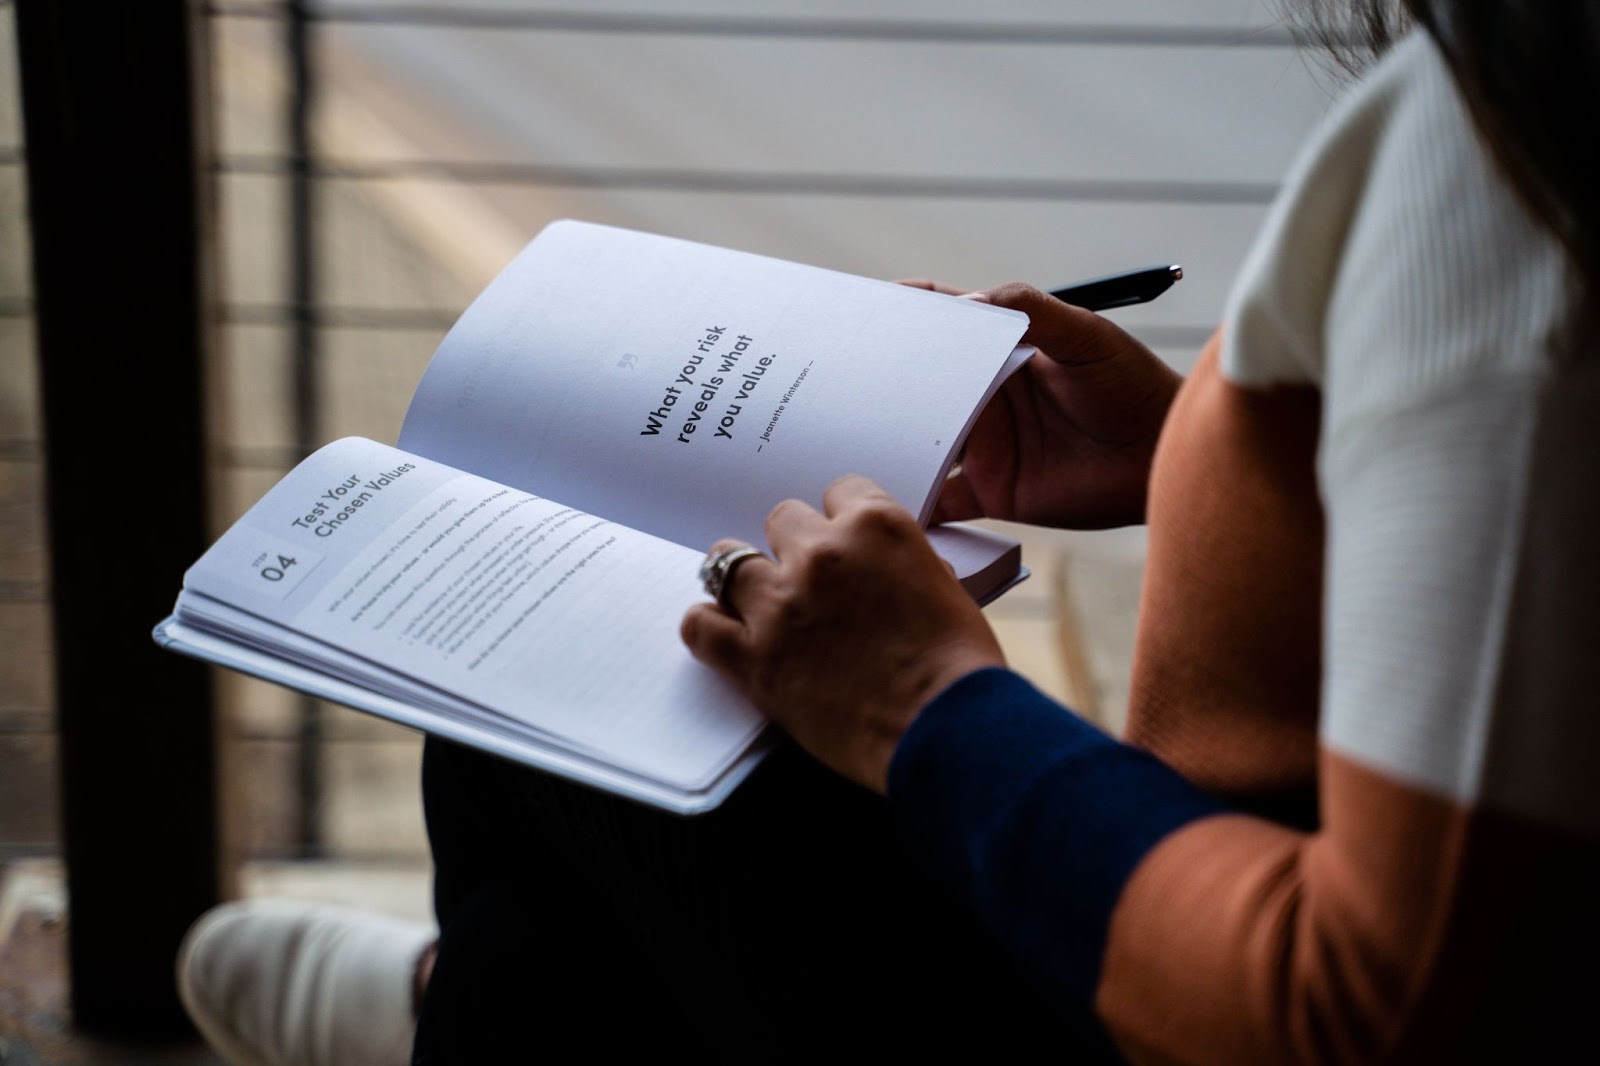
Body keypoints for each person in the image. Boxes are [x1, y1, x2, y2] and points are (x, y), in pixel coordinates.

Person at [178, 2, 1600, 1062]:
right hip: (1187, 883)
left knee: (561, 676)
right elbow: (1537, 597)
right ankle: (488, 1008)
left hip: (1154, 985)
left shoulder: (1512, 170)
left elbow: (1371, 1008)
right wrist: (1202, 466)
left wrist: (927, 707)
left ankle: (469, 1014)